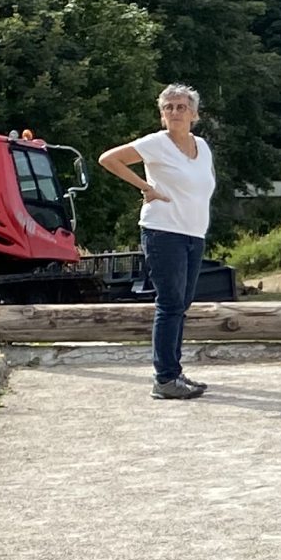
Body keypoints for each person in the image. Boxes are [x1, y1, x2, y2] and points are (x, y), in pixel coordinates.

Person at [99, 84, 216, 403]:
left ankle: (174, 371)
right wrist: (146, 187)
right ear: (162, 115)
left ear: (194, 113)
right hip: (163, 231)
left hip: (194, 233)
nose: (175, 112)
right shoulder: (155, 144)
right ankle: (164, 378)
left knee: (183, 303)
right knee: (170, 303)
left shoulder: (202, 146)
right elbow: (109, 159)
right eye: (169, 108)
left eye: (181, 107)